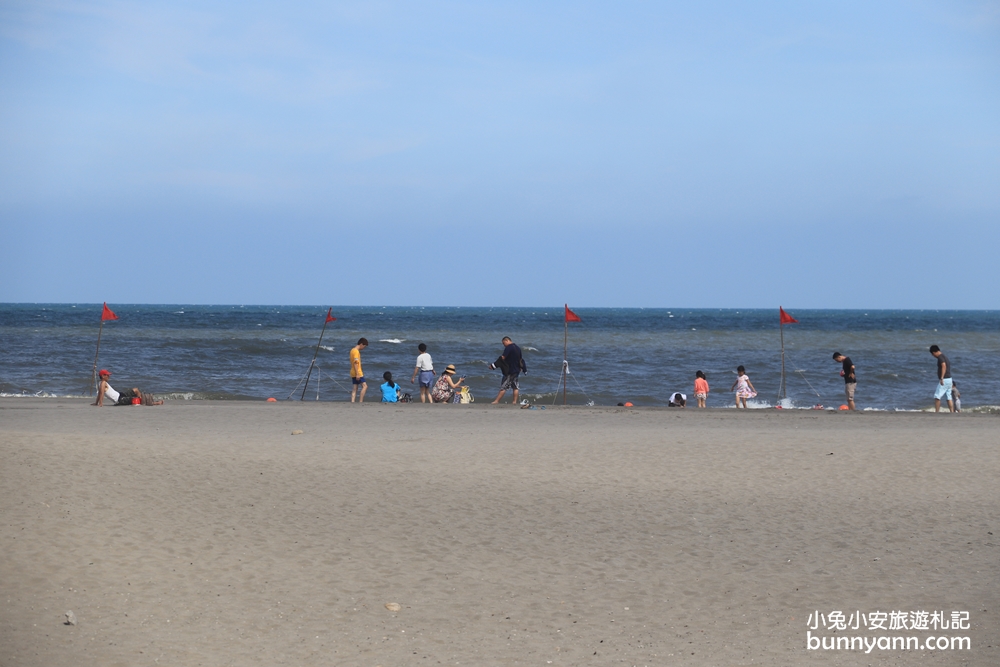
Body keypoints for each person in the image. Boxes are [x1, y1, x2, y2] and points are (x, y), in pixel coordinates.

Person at [92, 369, 163, 406]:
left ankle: (145, 399)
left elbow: (99, 394)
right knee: (136, 400)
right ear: (103, 376)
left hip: (120, 395)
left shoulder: (101, 383)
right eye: (107, 375)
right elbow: (101, 394)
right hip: (120, 400)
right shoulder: (103, 383)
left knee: (135, 390)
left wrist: (96, 403)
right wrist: (100, 403)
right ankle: (154, 403)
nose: (109, 376)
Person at [490, 336, 526, 404]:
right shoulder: (518, 348)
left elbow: (503, 358)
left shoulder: (508, 348)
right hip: (517, 370)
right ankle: (514, 401)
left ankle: (496, 401)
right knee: (515, 386)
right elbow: (521, 359)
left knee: (504, 386)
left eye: (503, 343)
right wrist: (521, 368)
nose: (504, 345)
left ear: (507, 341)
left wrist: (493, 365)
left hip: (510, 371)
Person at [929, 345, 954, 413]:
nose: (933, 356)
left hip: (945, 379)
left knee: (937, 396)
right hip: (949, 379)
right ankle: (952, 412)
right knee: (949, 397)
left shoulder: (940, 357)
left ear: (934, 352)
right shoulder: (945, 356)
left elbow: (943, 366)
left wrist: (942, 378)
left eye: (932, 354)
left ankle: (937, 412)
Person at [350, 338, 368, 403]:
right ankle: (361, 401)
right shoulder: (356, 351)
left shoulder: (352, 350)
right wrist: (357, 373)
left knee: (355, 388)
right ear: (361, 344)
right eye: (364, 346)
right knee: (365, 386)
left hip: (352, 372)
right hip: (357, 372)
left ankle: (352, 401)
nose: (364, 348)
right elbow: (355, 362)